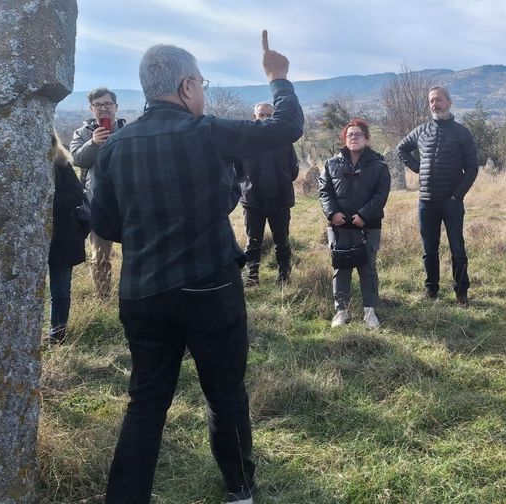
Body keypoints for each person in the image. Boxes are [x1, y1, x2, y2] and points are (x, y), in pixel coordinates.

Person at [91, 33, 303, 504]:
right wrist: (278, 77)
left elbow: (103, 223)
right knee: (224, 393)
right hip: (209, 286)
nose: (202, 93)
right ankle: (239, 489)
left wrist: (149, 231)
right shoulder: (205, 131)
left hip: (142, 291)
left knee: (146, 401)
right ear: (187, 86)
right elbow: (286, 126)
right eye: (201, 84)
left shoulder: (113, 147)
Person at [396, 86, 478, 305]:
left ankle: (461, 292)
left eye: (439, 100)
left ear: (449, 103)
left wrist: (457, 195)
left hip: (452, 201)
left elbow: (472, 168)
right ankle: (431, 290)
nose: (435, 104)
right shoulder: (421, 131)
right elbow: (401, 149)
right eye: (431, 101)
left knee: (457, 248)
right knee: (429, 249)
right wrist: (418, 167)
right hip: (426, 201)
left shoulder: (462, 133)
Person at [319, 118, 391, 328]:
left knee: (368, 268)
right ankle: (341, 311)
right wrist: (332, 213)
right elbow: (324, 191)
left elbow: (381, 194)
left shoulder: (379, 166)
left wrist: (364, 215)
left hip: (368, 225)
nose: (353, 138)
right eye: (350, 135)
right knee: (340, 267)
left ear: (366, 139)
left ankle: (369, 312)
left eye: (358, 134)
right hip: (339, 225)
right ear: (345, 139)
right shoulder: (331, 164)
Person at [70, 87, 126, 300]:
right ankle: (103, 297)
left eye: (108, 104)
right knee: (100, 254)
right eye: (98, 105)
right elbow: (77, 159)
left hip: (127, 201)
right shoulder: (83, 133)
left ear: (116, 107)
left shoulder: (127, 130)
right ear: (91, 108)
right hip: (98, 203)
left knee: (134, 250)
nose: (104, 109)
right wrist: (93, 143)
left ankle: (130, 291)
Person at [235, 102, 300, 286]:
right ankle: (252, 277)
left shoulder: (285, 141)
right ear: (254, 117)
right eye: (261, 115)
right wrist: (248, 185)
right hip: (252, 200)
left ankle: (284, 277)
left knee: (282, 240)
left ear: (274, 117)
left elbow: (294, 171)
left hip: (280, 199)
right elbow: (237, 171)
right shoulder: (244, 142)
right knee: (253, 240)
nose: (265, 118)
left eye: (269, 115)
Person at [46, 131, 88, 344]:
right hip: (49, 238)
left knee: (60, 289)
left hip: (61, 237)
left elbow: (77, 194)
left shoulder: (61, 163)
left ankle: (57, 334)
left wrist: (47, 201)